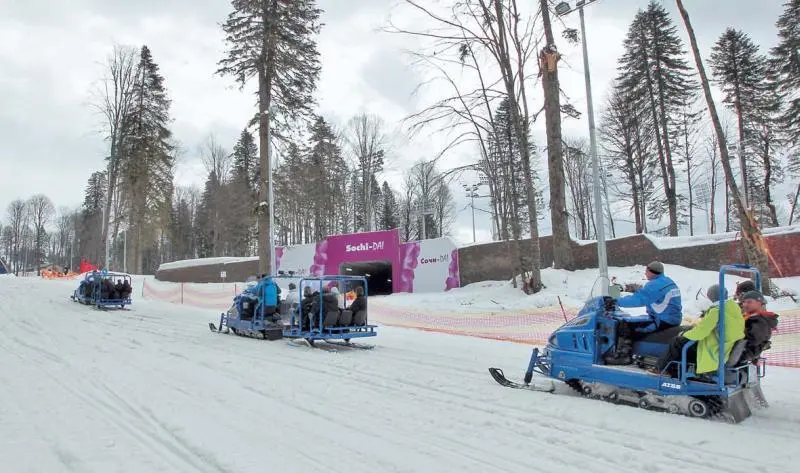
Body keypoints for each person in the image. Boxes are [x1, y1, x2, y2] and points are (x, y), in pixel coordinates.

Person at [653, 284, 744, 376]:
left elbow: (701, 333)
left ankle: (660, 368)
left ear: (712, 296)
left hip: (714, 349)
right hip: (725, 345)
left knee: (677, 342)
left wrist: (685, 334)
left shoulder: (716, 311)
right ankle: (677, 370)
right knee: (686, 344)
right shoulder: (733, 307)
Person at [616, 261, 683, 334]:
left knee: (626, 328)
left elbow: (638, 299)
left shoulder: (655, 285)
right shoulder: (668, 281)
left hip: (663, 321)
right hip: (673, 319)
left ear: (652, 272)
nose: (645, 273)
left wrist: (615, 302)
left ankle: (625, 345)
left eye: (646, 271)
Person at [739, 290, 779, 362]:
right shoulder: (749, 316)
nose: (745, 305)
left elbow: (753, 340)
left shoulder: (760, 320)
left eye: (749, 302)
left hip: (744, 353)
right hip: (742, 351)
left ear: (759, 303)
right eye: (744, 302)